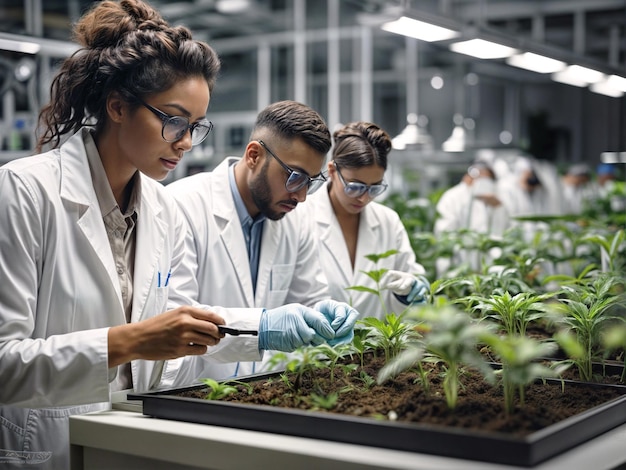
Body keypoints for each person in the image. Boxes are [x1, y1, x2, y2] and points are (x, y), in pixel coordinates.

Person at [0, 2, 356, 468]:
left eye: (195, 127)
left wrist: (264, 328)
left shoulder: (162, 208)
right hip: (45, 448)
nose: (186, 142)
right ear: (117, 107)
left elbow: (176, 337)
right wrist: (129, 341)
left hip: (131, 445)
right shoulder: (25, 191)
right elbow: (6, 364)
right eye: (173, 120)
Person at [166, 100, 358, 378]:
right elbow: (176, 320)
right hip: (196, 395)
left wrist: (324, 314)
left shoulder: (295, 218)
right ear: (254, 155)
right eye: (294, 177)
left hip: (265, 394)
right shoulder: (182, 206)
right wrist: (263, 327)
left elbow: (307, 299)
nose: (301, 196)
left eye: (311, 182)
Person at [302, 121, 429, 319]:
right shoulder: (300, 217)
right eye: (355, 186)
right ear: (333, 171)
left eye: (374, 188)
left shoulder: (388, 221)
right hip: (313, 349)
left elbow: (409, 285)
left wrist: (409, 293)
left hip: (373, 348)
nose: (364, 198)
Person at [434, 161, 510, 276]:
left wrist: (497, 207)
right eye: (481, 178)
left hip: (484, 267)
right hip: (458, 263)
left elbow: (500, 232)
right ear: (469, 176)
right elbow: (444, 233)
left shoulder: (492, 199)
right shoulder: (453, 197)